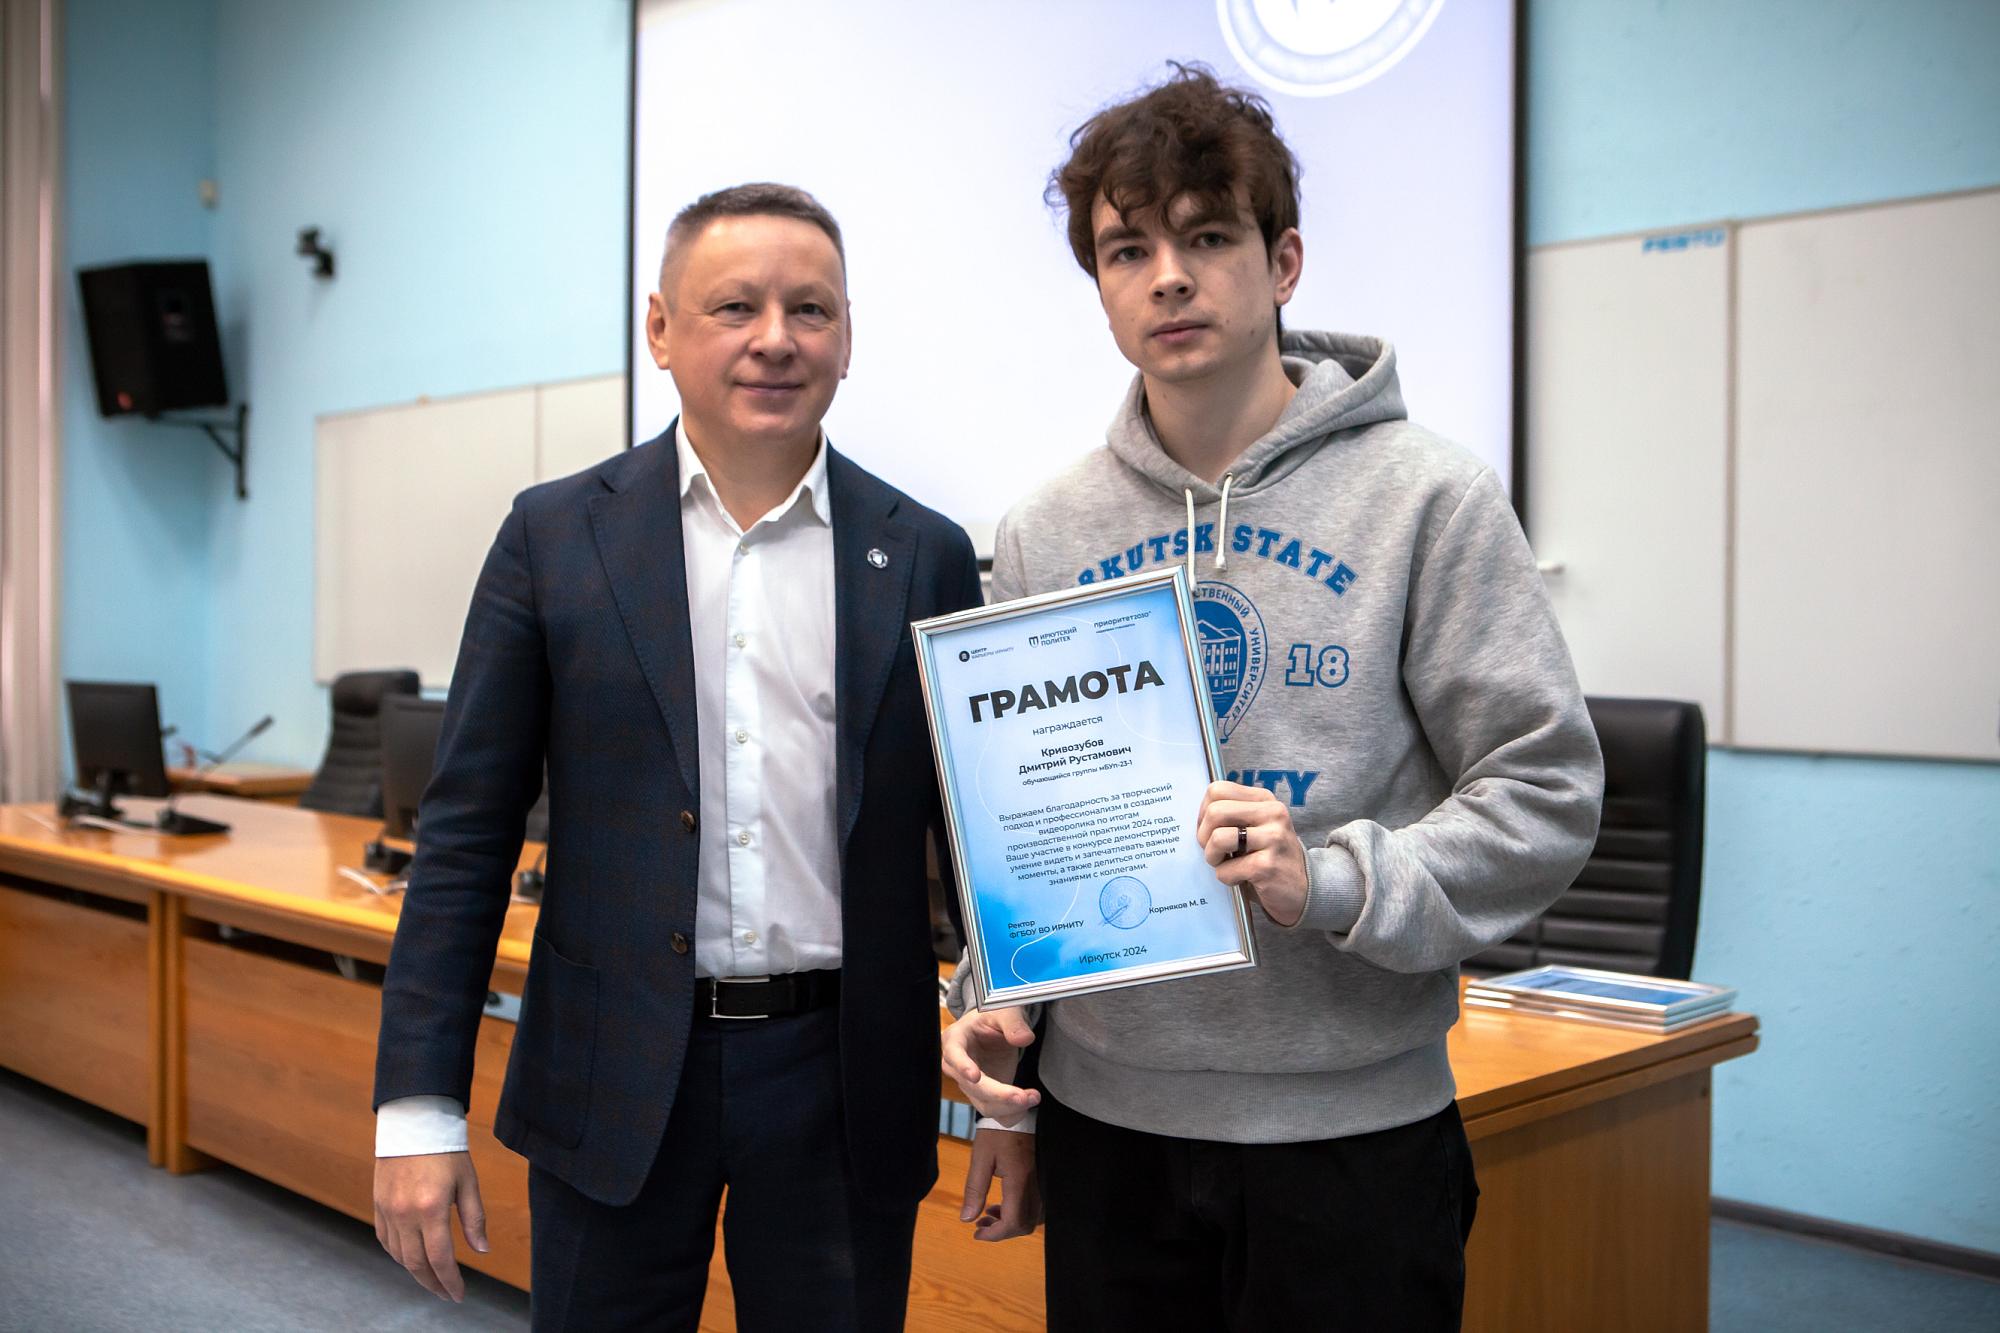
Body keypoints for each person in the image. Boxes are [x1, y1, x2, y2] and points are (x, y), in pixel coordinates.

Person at [942, 66, 1605, 1331]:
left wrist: (1335, 877)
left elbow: (1544, 792)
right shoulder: (1042, 531)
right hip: (1107, 1127)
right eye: (1128, 251)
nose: (1167, 279)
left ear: (1282, 261)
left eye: (1206, 238)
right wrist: (1000, 1059)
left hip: (1349, 1134)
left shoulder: (1427, 499)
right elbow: (1025, 827)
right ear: (1099, 288)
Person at [372, 182, 982, 1331]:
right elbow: (463, 837)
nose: (774, 338)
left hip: (843, 1083)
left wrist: (1010, 1092)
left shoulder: (924, 554)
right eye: (734, 306)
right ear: (660, 328)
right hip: (611, 1071)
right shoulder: (553, 537)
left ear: (846, 336)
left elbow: (974, 844)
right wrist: (416, 1107)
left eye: (810, 309)